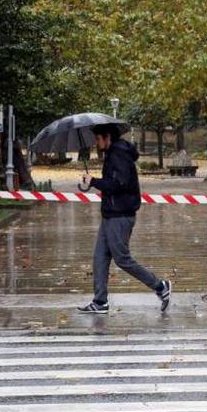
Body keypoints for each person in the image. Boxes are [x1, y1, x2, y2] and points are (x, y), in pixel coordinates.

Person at [78, 124, 172, 314]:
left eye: (98, 139)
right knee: (100, 257)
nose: (96, 143)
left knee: (122, 259)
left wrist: (94, 182)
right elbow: (114, 182)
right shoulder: (113, 153)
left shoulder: (119, 154)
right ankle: (100, 301)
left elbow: (118, 184)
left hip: (120, 216)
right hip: (110, 214)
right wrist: (93, 182)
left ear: (107, 137)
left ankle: (160, 286)